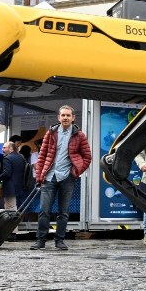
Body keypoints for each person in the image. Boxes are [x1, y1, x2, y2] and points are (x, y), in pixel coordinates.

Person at [31, 105, 91, 251]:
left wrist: (76, 171)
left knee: (63, 212)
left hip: (67, 178)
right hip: (50, 176)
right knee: (44, 210)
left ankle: (60, 240)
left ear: (73, 118)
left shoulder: (79, 135)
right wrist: (40, 176)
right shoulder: (51, 133)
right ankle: (41, 240)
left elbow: (87, 157)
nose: (65, 118)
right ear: (58, 117)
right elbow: (42, 156)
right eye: (63, 115)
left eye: (68, 115)